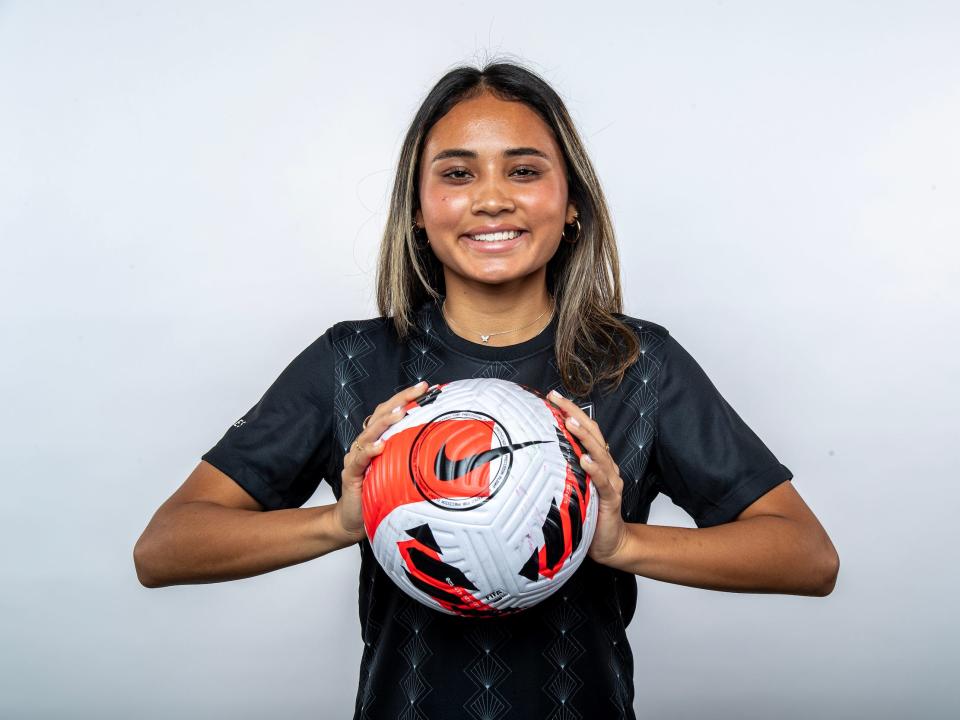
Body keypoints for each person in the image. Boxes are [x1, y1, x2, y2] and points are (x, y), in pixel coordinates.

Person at [134, 61, 839, 720]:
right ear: (418, 208)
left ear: (571, 206)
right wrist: (344, 522)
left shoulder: (635, 363)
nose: (493, 199)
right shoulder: (352, 362)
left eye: (525, 170)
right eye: (458, 173)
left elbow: (807, 557)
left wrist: (623, 544)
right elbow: (164, 548)